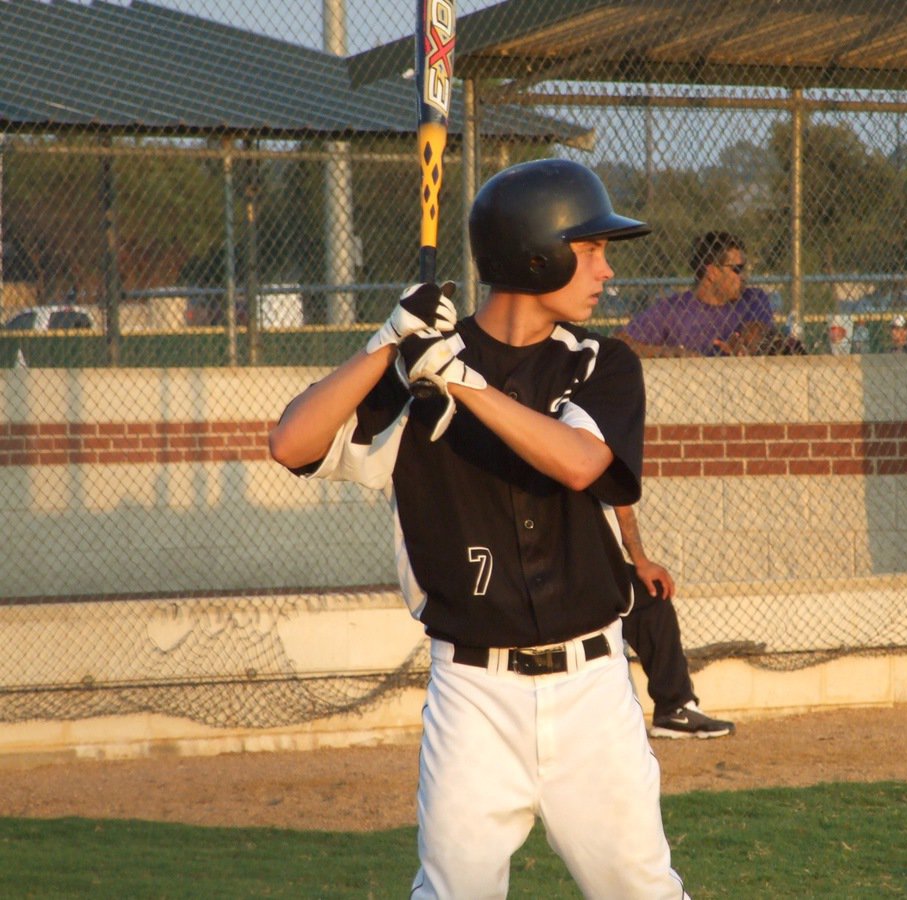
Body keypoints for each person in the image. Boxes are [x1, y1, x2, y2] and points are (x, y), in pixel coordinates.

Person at [268, 159, 687, 897]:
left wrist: (461, 382)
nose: (606, 270)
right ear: (537, 253)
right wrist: (387, 343)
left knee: (642, 890)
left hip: (592, 690)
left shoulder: (601, 363)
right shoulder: (415, 370)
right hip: (471, 695)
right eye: (589, 250)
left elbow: (582, 462)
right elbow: (291, 444)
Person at [614, 505, 735, 739]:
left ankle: (674, 709)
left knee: (651, 594)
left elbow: (621, 504)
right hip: (551, 574)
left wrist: (641, 562)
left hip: (592, 569)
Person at [615, 230, 799, 357]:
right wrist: (669, 352)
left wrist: (747, 343)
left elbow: (758, 330)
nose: (744, 277)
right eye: (737, 269)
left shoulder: (754, 299)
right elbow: (620, 342)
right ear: (711, 272)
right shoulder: (673, 309)